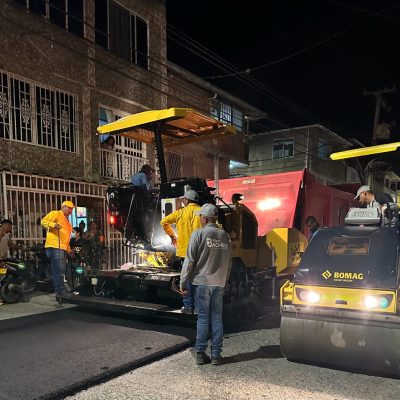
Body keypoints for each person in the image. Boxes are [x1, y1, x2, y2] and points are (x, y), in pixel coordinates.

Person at [180, 203, 231, 366]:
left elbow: (189, 261)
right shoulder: (225, 236)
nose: (200, 219)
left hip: (202, 283)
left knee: (203, 318)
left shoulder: (198, 234)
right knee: (217, 319)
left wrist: (183, 281)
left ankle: (201, 353)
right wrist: (225, 280)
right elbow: (229, 262)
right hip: (219, 282)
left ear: (205, 218)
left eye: (201, 217)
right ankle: (216, 356)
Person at [160, 189, 202, 314]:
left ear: (187, 200)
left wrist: (173, 236)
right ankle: (199, 308)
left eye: (183, 199)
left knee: (187, 279)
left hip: (185, 253)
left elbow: (163, 222)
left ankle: (188, 307)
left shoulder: (180, 213)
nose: (182, 201)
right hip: (200, 253)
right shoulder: (203, 212)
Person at [41, 200, 74, 304]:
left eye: (72, 209)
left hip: (62, 248)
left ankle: (60, 291)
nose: (70, 211)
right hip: (55, 246)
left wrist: (69, 250)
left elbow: (66, 238)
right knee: (59, 270)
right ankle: (60, 292)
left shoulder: (67, 222)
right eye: (69, 208)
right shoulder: (56, 214)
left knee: (61, 271)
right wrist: (53, 225)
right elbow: (43, 221)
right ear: (63, 207)